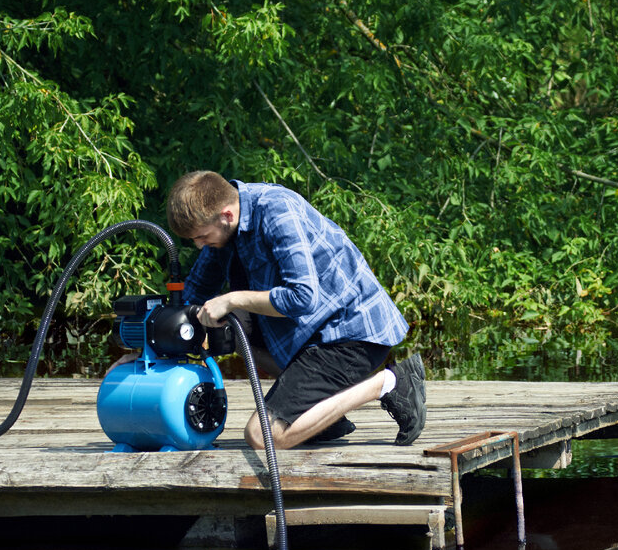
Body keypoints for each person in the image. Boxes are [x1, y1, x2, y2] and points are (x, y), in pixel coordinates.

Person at [166, 170, 425, 451]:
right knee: (227, 325)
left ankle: (389, 383)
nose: (198, 245)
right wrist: (151, 346)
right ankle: (320, 417)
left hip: (350, 333)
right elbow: (194, 292)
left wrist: (232, 299)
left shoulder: (277, 210)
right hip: (312, 333)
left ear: (226, 215)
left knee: (262, 437)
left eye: (202, 237)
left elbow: (303, 298)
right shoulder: (226, 227)